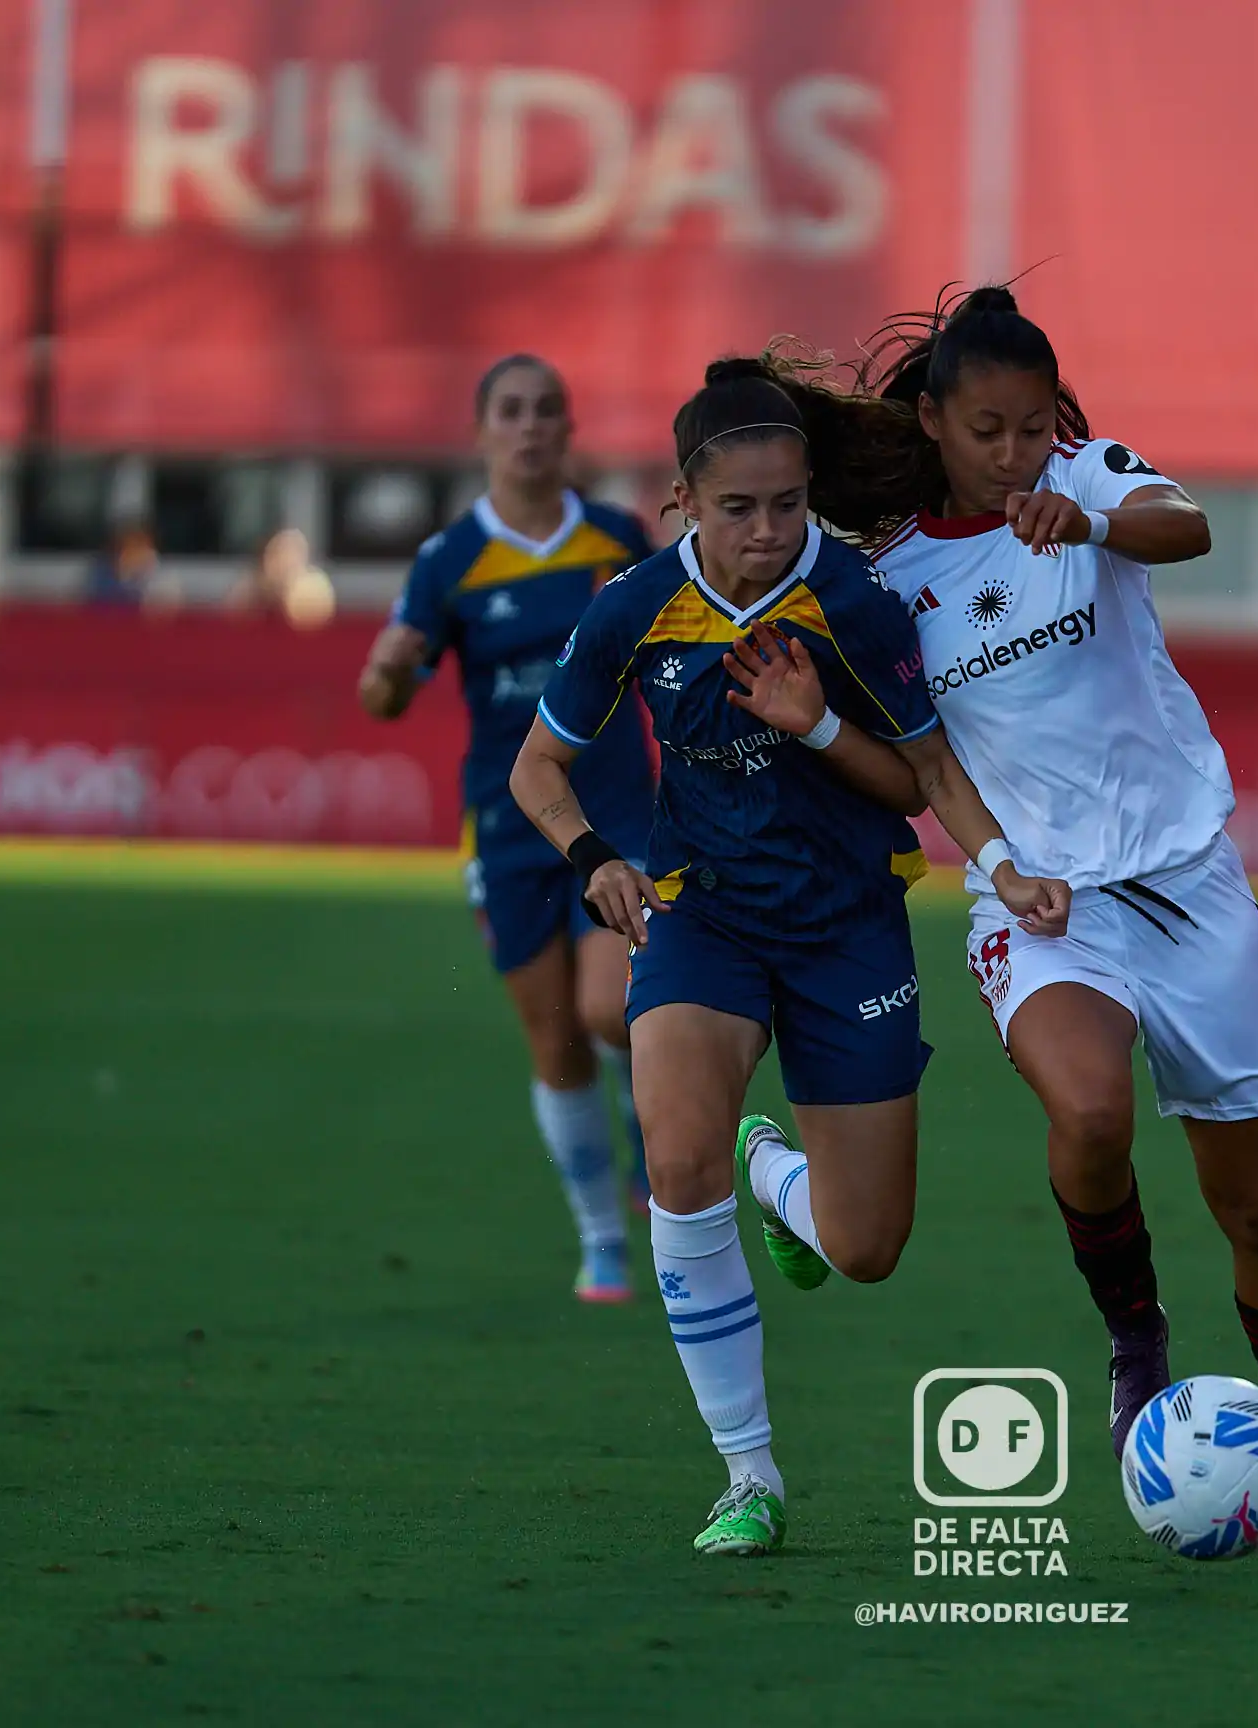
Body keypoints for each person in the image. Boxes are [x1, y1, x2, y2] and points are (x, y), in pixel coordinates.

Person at [791, 284, 1258, 1559]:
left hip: (1192, 885)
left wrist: (1095, 514)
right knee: (1091, 1114)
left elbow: (1184, 527)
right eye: (989, 432)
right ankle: (1137, 1338)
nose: (1015, 454)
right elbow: (910, 758)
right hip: (1047, 902)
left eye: (1031, 428)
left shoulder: (1089, 478)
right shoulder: (888, 577)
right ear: (934, 423)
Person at [509, 358, 1069, 1557]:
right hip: (700, 913)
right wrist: (594, 857)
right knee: (674, 1150)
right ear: (683, 504)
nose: (767, 532)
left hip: (848, 925)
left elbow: (922, 778)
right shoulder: (631, 607)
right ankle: (747, 1476)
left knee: (864, 1249)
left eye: (787, 505)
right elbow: (535, 770)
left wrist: (999, 864)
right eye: (738, 509)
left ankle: (773, 1173)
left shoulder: (857, 603)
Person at [358, 355, 656, 1304]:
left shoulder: (616, 539)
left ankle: (642, 1111)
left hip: (618, 812)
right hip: (508, 825)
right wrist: (393, 666)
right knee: (553, 1041)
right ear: (482, 430)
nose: (531, 427)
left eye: (547, 411)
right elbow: (381, 702)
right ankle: (602, 1237)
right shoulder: (447, 562)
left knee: (610, 1009)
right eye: (512, 412)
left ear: (569, 429)